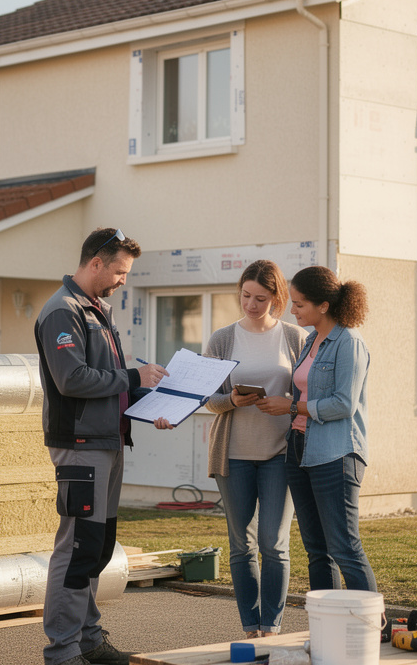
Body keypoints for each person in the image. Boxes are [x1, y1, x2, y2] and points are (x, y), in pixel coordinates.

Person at [35, 227, 168, 665]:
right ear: (96, 263)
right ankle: (62, 652)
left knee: (97, 547)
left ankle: (88, 641)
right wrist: (133, 377)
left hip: (108, 443)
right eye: (120, 271)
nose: (123, 281)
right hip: (80, 446)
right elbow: (72, 379)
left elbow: (107, 385)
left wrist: (155, 399)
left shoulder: (97, 310)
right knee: (77, 550)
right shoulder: (63, 311)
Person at [157, 260, 307, 638]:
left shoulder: (294, 338)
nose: (251, 305)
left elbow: (306, 390)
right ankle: (250, 628)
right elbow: (207, 397)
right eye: (245, 296)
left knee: (274, 544)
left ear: (276, 298)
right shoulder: (223, 339)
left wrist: (286, 402)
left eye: (260, 298)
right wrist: (232, 401)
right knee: (243, 545)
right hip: (233, 454)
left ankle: (271, 626)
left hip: (279, 453)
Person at [257, 265, 376, 593]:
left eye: (299, 304)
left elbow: (343, 404)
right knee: (316, 551)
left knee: (344, 548)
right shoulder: (311, 340)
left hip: (336, 454)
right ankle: (328, 626)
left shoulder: (348, 342)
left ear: (323, 306)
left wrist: (291, 406)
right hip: (298, 449)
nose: (292, 310)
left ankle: (370, 626)